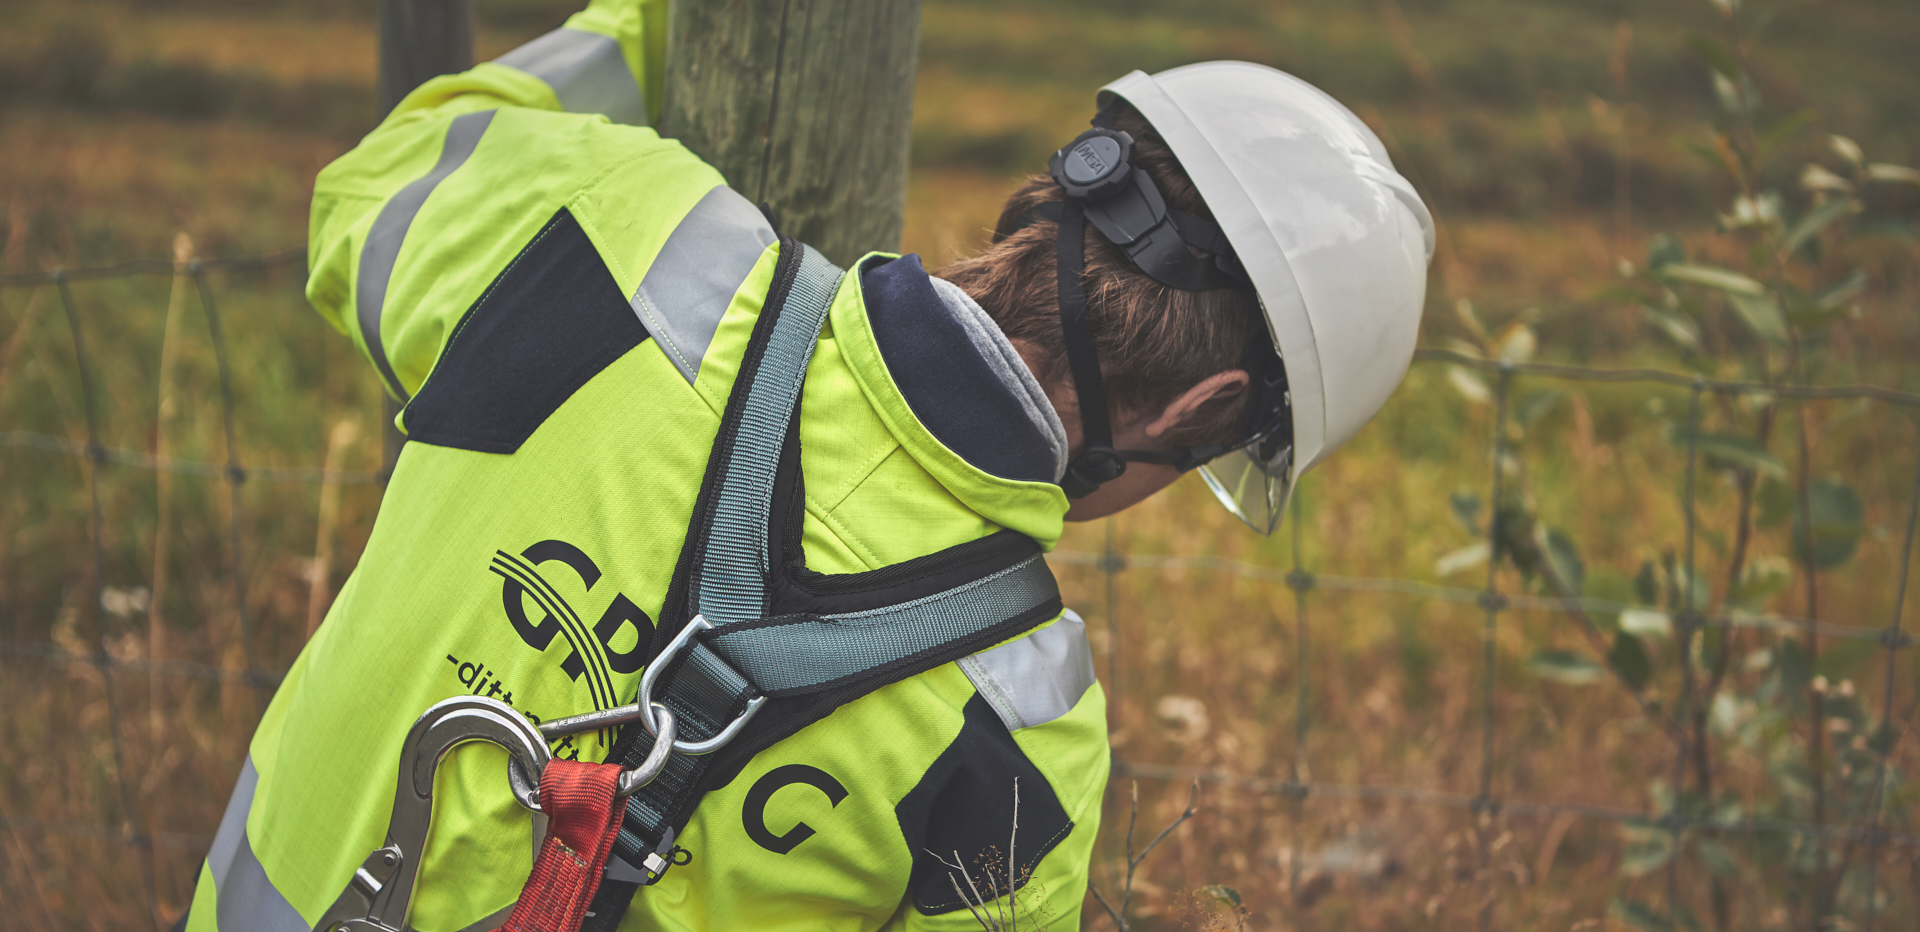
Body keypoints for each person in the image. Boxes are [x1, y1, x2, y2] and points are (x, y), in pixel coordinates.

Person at [183, 0, 1430, 928]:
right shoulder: (1026, 736)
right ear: (1205, 403)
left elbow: (372, 186)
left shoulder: (623, 239)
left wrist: (657, 26)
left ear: (1051, 192)